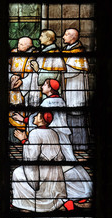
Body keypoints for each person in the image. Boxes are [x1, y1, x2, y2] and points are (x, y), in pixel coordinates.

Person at [12, 79, 92, 209]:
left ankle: (60, 196)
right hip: (60, 136)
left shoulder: (47, 102)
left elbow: (39, 118)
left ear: (50, 88)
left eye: (44, 84)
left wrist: (24, 120)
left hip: (49, 136)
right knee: (68, 164)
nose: (42, 86)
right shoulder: (60, 101)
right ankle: (83, 190)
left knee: (55, 169)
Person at [12, 112, 66, 212]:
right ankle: (55, 203)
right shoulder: (53, 133)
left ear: (41, 119)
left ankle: (26, 204)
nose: (34, 117)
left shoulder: (35, 133)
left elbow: (31, 157)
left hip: (42, 173)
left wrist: (23, 140)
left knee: (17, 173)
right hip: (54, 173)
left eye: (37, 116)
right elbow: (59, 156)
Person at [62, 28, 90, 150]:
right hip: (69, 89)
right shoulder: (69, 50)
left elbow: (72, 71)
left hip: (76, 90)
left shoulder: (78, 52)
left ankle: (80, 146)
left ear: (73, 38)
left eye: (66, 35)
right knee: (71, 116)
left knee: (76, 116)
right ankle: (72, 145)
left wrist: (57, 69)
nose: (63, 37)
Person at [30, 30, 66, 96]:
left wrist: (38, 70)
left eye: (42, 36)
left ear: (48, 38)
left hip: (50, 92)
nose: (39, 38)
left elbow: (54, 76)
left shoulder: (54, 53)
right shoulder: (44, 51)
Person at [9, 36, 40, 107]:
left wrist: (22, 82)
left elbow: (34, 76)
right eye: (19, 43)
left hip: (26, 89)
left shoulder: (34, 55)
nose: (18, 45)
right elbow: (7, 68)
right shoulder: (13, 53)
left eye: (21, 44)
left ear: (28, 46)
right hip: (12, 87)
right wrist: (11, 77)